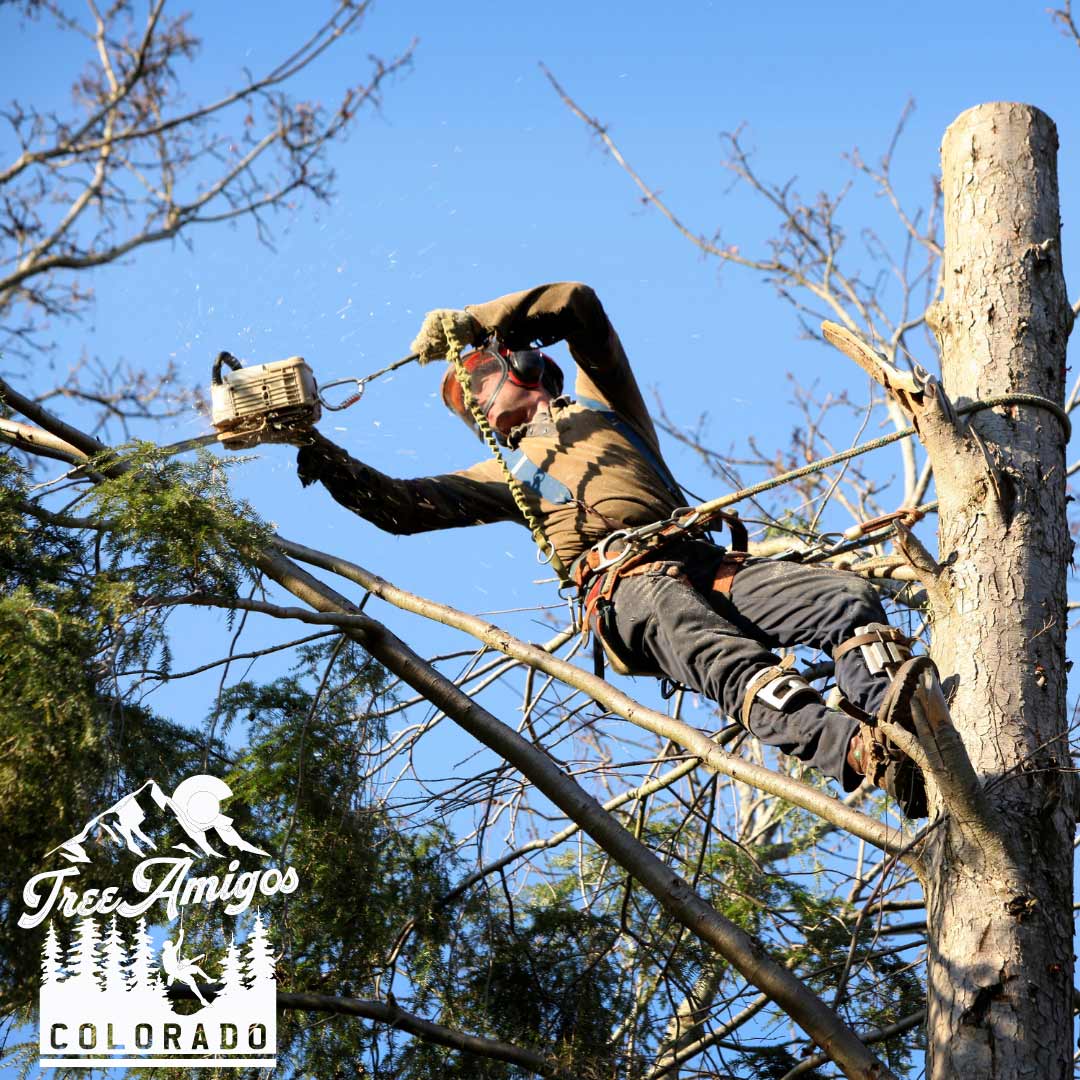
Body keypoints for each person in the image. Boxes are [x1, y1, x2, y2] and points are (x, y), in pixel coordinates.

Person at [293, 282, 932, 818]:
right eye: (491, 392)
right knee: (725, 657)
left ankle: (904, 723)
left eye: (497, 381)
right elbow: (402, 507)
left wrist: (476, 321)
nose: (497, 406)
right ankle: (859, 751)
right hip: (626, 585)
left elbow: (580, 308)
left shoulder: (606, 409)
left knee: (843, 600)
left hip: (705, 561)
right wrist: (317, 450)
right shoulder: (508, 475)